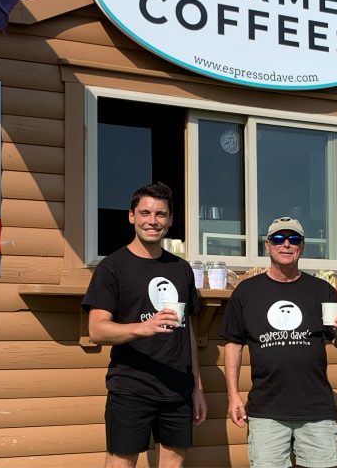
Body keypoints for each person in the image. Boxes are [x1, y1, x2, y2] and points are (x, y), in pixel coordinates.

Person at [82, 181, 207, 468]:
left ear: (170, 220)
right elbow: (97, 329)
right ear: (132, 216)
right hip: (131, 387)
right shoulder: (112, 267)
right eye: (145, 213)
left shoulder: (181, 269)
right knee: (121, 462)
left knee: (174, 463)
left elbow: (188, 332)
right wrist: (143, 327)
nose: (153, 221)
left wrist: (196, 388)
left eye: (160, 214)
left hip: (177, 388)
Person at [222, 216, 337, 468]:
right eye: (279, 239)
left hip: (316, 408)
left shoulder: (321, 290)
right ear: (268, 245)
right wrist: (233, 396)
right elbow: (233, 344)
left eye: (294, 239)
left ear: (302, 246)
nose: (286, 244)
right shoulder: (247, 292)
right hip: (266, 409)